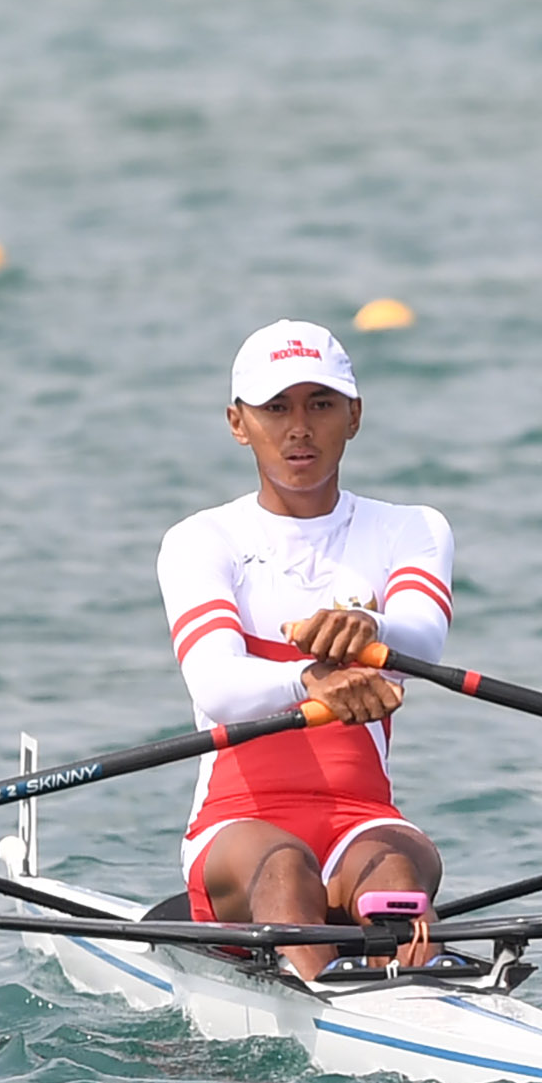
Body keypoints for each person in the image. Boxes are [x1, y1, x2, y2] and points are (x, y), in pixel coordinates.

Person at [155, 320, 453, 978]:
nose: (299, 427)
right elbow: (216, 683)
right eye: (276, 407)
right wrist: (308, 683)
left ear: (354, 415)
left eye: (320, 404)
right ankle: (325, 1008)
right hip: (239, 826)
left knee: (400, 866)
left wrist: (370, 631)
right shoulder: (202, 540)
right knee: (286, 868)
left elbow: (424, 634)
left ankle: (414, 999)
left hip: (364, 819)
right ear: (238, 422)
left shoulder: (411, 528)